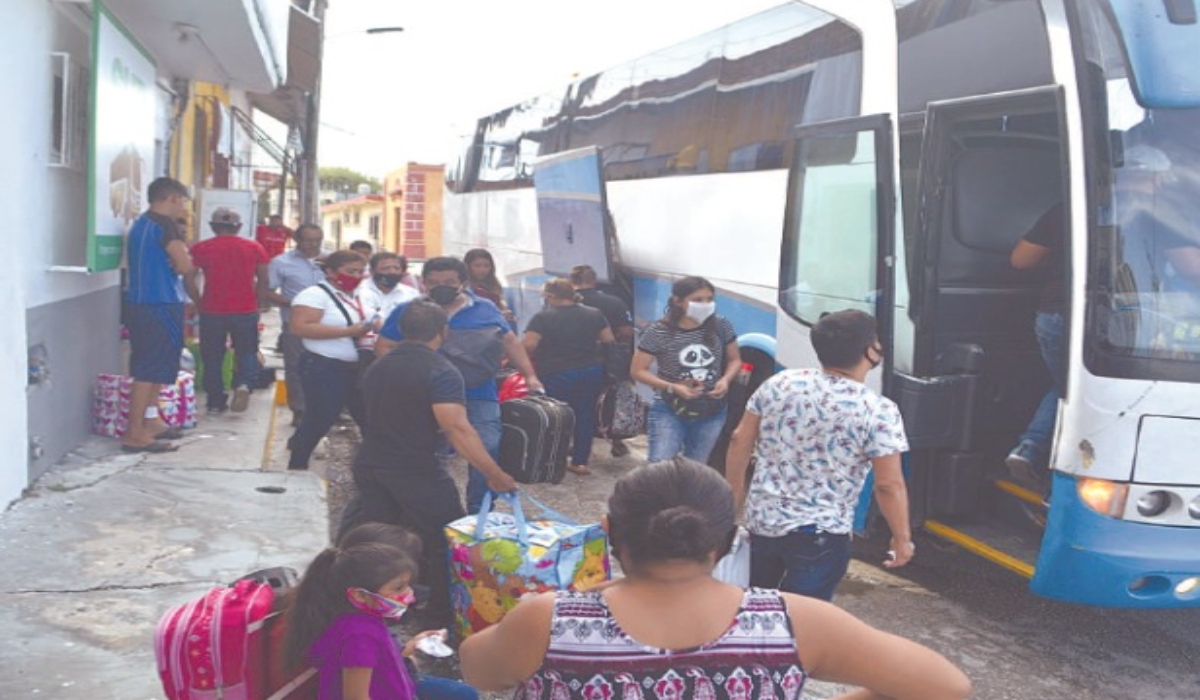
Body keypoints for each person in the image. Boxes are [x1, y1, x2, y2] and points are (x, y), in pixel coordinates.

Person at [458, 457, 971, 700]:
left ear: (609, 531)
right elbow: (946, 686)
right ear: (728, 540)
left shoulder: (550, 620)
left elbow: (480, 671)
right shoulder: (793, 622)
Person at [344, 301, 518, 627]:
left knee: (380, 542)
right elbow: (457, 428)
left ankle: (374, 609)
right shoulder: (441, 370)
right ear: (443, 332)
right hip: (415, 467)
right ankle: (439, 614)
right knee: (445, 539)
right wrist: (494, 474)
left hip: (370, 463)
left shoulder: (378, 365)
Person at [725, 309, 913, 601]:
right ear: (870, 351)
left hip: (763, 521)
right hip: (821, 534)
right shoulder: (877, 409)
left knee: (753, 608)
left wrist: (733, 499)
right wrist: (901, 538)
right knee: (802, 620)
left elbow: (739, 440)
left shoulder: (780, 383)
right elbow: (888, 485)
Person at [376, 256, 542, 514]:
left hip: (479, 392)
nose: (441, 286)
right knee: (430, 454)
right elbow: (384, 345)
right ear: (424, 283)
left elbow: (510, 342)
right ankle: (436, 507)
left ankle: (480, 509)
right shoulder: (411, 312)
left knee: (487, 446)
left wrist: (530, 376)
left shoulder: (486, 309)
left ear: (463, 282)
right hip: (429, 396)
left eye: (449, 282)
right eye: (434, 282)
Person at [282, 542, 421, 700]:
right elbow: (356, 697)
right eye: (398, 588)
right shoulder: (360, 637)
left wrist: (414, 644)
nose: (409, 594)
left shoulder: (361, 622)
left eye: (407, 585)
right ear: (360, 595)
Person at [122, 176, 200, 453]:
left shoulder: (142, 224)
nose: (184, 208)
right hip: (160, 302)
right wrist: (184, 259)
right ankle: (134, 433)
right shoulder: (165, 226)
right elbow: (184, 265)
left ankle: (150, 422)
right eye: (183, 201)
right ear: (173, 198)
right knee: (150, 368)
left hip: (140, 302)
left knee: (153, 365)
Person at [630, 276, 741, 463]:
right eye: (698, 300)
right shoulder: (657, 331)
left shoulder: (721, 325)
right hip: (669, 409)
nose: (705, 304)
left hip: (712, 412)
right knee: (660, 466)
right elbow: (638, 370)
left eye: (709, 299)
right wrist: (673, 387)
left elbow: (735, 359)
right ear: (677, 301)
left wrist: (725, 380)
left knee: (696, 467)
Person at [286, 250, 376, 471]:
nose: (355, 276)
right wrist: (348, 331)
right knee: (321, 417)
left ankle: (373, 469)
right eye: (349, 271)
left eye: (359, 271)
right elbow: (300, 327)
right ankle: (297, 464)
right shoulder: (314, 295)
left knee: (369, 417)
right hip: (325, 365)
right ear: (330, 272)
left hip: (360, 366)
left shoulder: (361, 294)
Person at [522, 279, 615, 475]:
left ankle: (553, 460)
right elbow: (609, 340)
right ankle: (580, 462)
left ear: (550, 296)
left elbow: (529, 345)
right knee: (584, 416)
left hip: (556, 372)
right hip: (590, 371)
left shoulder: (542, 318)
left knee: (556, 417)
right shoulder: (594, 314)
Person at [1005, 202, 1066, 487]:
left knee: (1068, 384)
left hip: (1053, 315)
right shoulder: (1156, 211)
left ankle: (1030, 448)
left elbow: (1021, 259)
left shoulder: (1067, 209)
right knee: (1074, 387)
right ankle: (1037, 454)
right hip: (1109, 320)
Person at [188, 207, 269, 414]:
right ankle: (244, 385)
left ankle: (215, 401)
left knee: (213, 356)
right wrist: (259, 304)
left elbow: (188, 277)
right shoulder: (254, 247)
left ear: (213, 227)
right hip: (245, 309)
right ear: (239, 227)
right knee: (247, 351)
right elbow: (263, 279)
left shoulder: (201, 248)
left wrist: (198, 302)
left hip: (212, 310)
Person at [570, 264, 636, 457]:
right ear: (594, 280)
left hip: (575, 359)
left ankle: (580, 443)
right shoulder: (614, 302)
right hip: (608, 358)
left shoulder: (564, 303)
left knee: (580, 402)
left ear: (572, 282)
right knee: (610, 398)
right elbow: (626, 331)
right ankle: (616, 440)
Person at [266, 224, 327, 426]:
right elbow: (267, 291)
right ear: (297, 240)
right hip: (295, 323)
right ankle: (300, 409)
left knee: (326, 366)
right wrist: (292, 303)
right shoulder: (281, 263)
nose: (313, 245)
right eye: (308, 240)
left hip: (327, 324)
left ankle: (324, 408)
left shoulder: (331, 261)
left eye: (317, 240)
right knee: (296, 367)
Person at [355, 251, 420, 359]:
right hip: (363, 353)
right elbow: (371, 319)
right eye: (385, 268)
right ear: (372, 271)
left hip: (400, 352)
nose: (392, 272)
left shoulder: (411, 294)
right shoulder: (358, 290)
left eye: (396, 268)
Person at [463, 248, 511, 319]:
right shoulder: (464, 287)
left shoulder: (494, 284)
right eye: (477, 266)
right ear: (468, 266)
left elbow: (500, 305)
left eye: (486, 266)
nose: (482, 270)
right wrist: (498, 315)